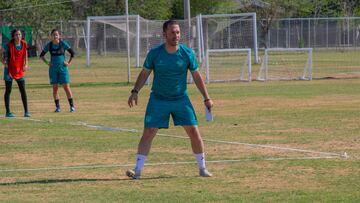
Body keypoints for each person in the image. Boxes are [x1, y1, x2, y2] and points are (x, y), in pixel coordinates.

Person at [126, 20, 214, 179]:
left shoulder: (187, 53)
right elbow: (145, 73)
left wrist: (206, 98)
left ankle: (202, 168)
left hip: (181, 99)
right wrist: (135, 91)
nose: (176, 35)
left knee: (194, 131)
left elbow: (196, 76)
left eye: (178, 32)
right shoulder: (155, 53)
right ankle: (137, 171)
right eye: (173, 32)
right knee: (149, 132)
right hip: (158, 99)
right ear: (164, 34)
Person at [40, 29, 75, 113]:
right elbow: (41, 55)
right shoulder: (49, 45)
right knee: (55, 89)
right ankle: (57, 107)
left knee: (66, 87)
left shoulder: (63, 44)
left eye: (56, 35)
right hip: (53, 70)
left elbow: (72, 53)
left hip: (63, 69)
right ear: (51, 36)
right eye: (53, 35)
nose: (55, 36)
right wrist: (47, 63)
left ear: (59, 36)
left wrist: (68, 62)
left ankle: (72, 106)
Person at [0, 29, 30, 117]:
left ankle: (26, 112)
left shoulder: (24, 43)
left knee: (23, 90)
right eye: (16, 35)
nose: (18, 36)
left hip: (19, 70)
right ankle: (8, 112)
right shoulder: (8, 45)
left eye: (19, 34)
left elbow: (25, 54)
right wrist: (3, 62)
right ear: (13, 36)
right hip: (9, 70)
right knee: (8, 90)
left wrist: (26, 64)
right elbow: (0, 52)